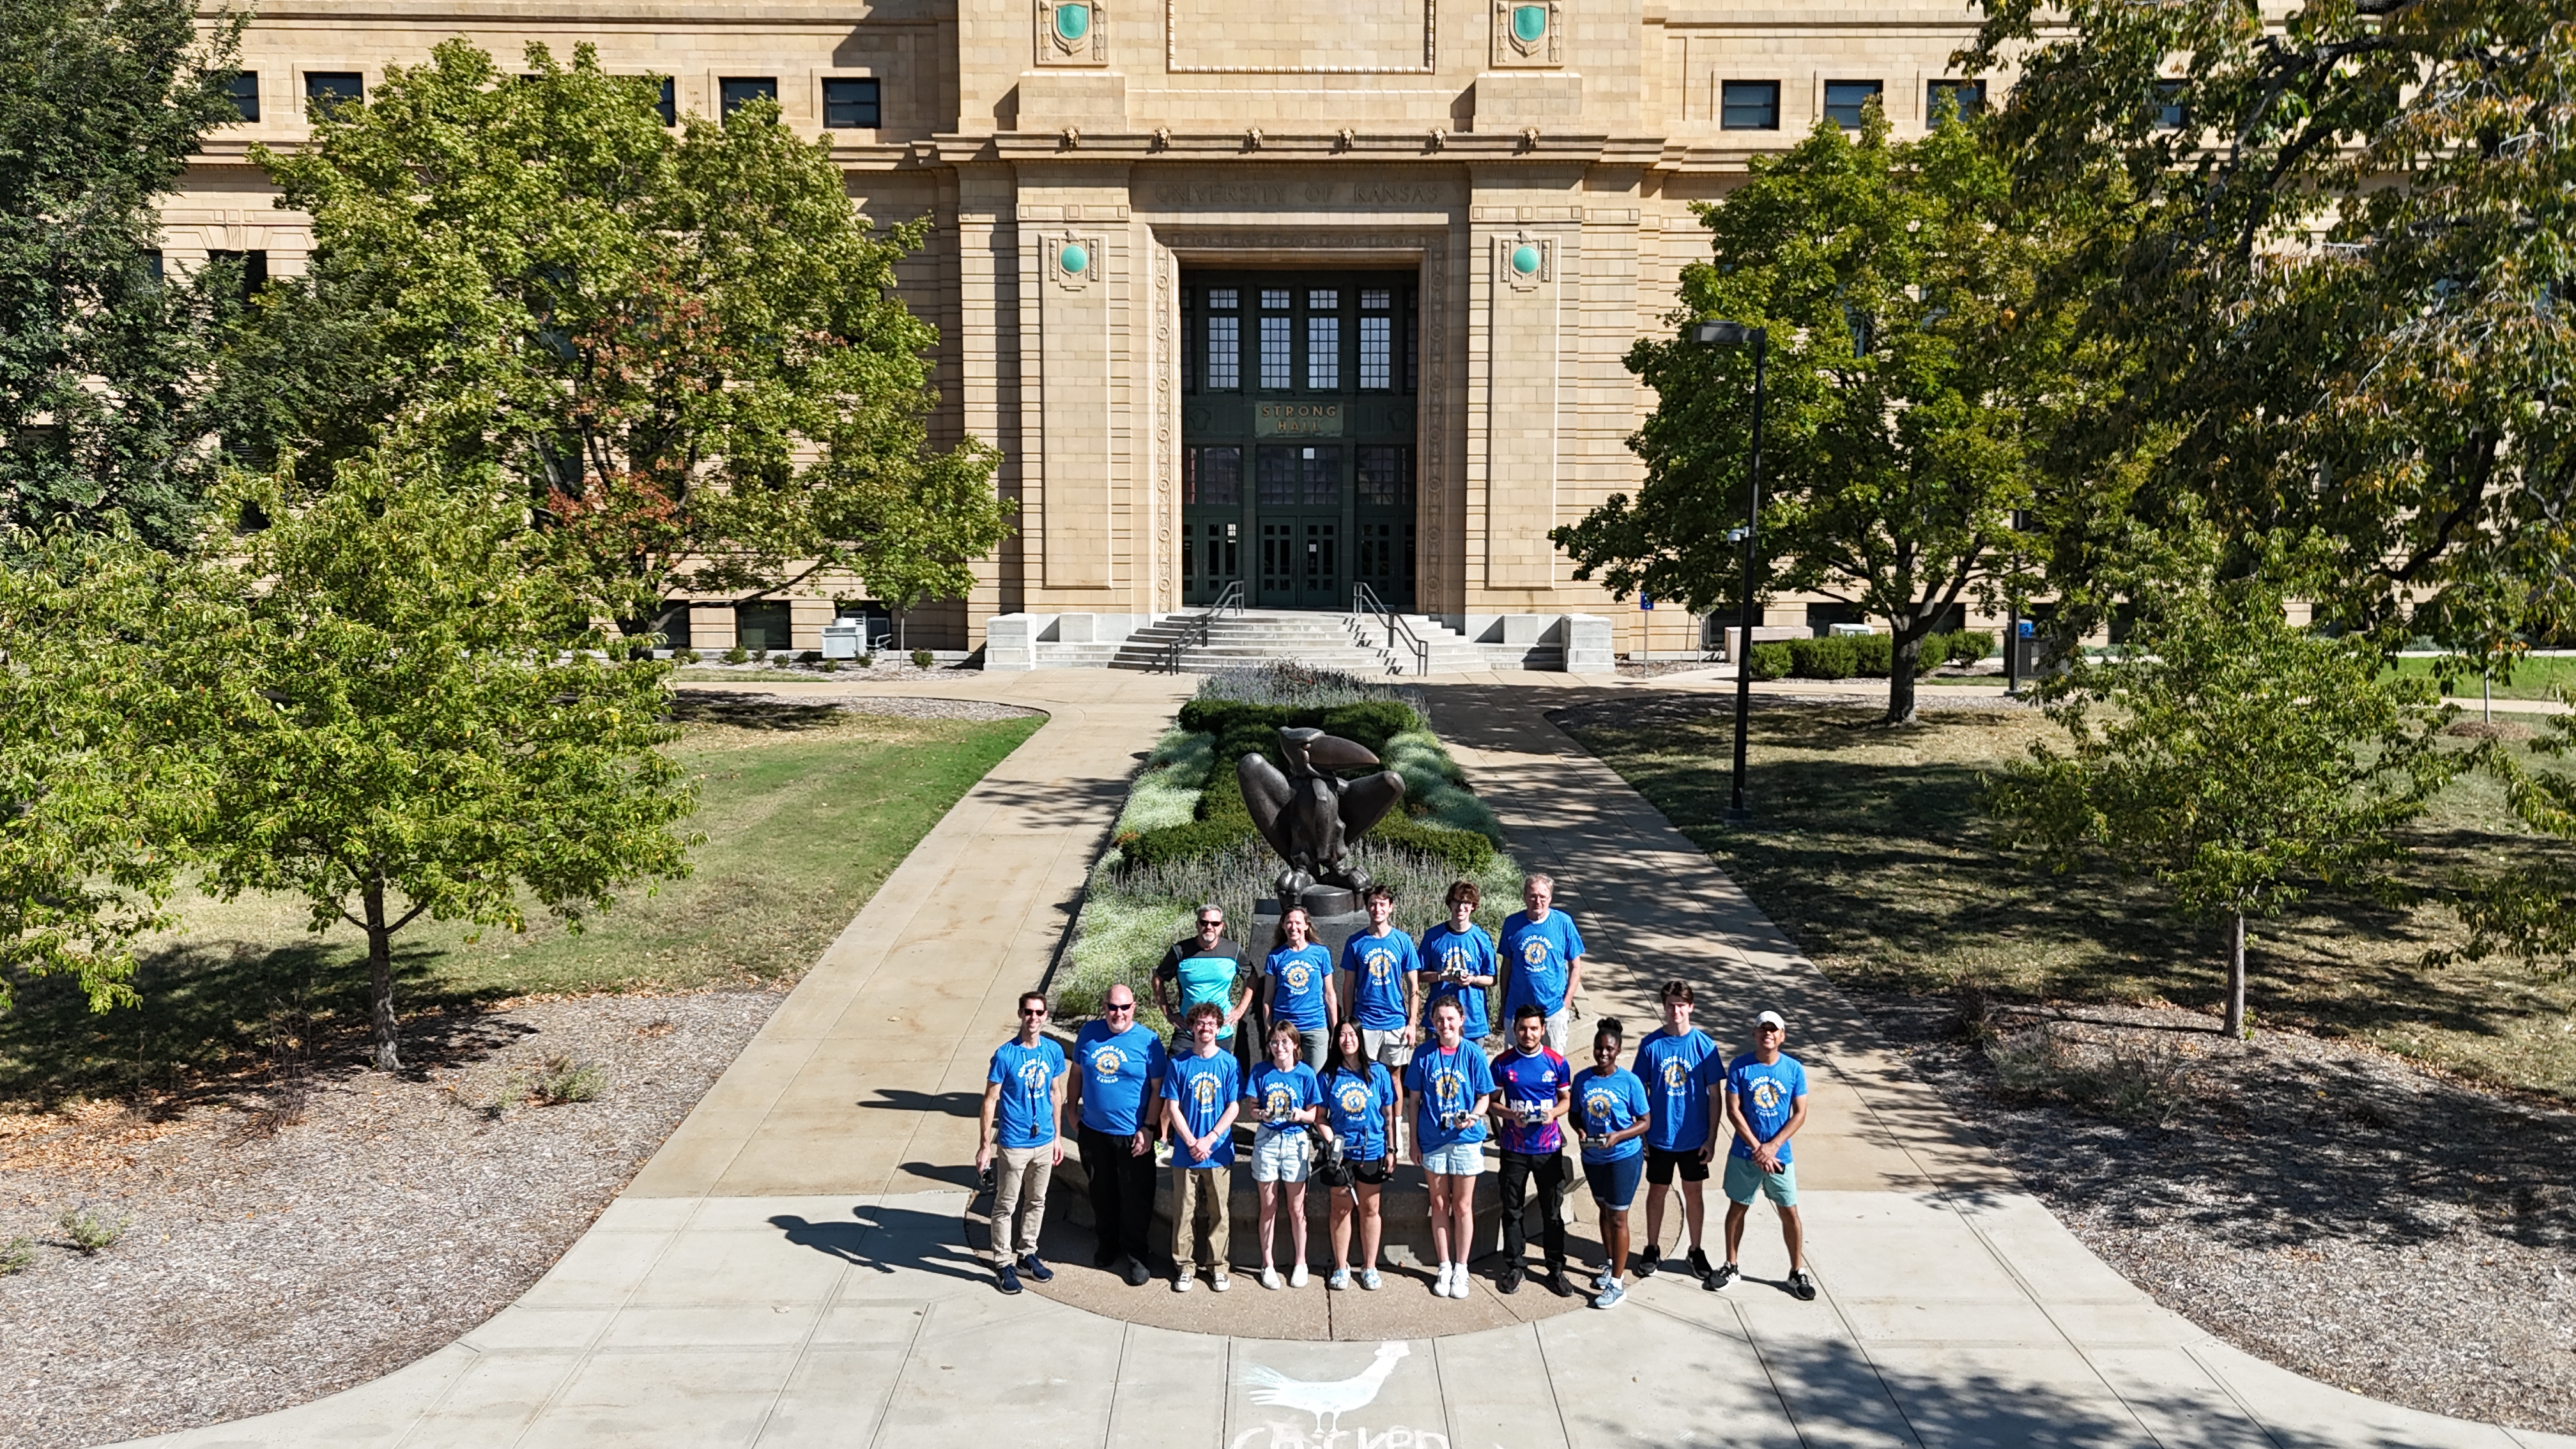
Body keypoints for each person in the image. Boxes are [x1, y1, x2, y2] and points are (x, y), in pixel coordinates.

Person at [1710, 1009, 1815, 1300]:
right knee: (1737, 1208)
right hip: (1746, 1154)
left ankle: (1796, 1271)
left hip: (1781, 1157)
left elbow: (1800, 1113)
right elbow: (1733, 1110)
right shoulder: (1740, 1067)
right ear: (1754, 1034)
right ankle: (1731, 1265)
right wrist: (1758, 1148)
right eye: (1763, 1029)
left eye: (1774, 1030)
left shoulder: (1794, 1069)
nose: (1768, 1034)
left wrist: (1772, 1147)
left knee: (1789, 1211)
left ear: (1782, 1036)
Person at [1068, 983, 1167, 1287]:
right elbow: (1077, 1074)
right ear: (1104, 1007)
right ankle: (1108, 1245)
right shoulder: (1089, 1034)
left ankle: (1137, 1256)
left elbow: (1158, 1089)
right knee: (1102, 1193)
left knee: (1136, 1198)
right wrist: (1072, 1110)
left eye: (1124, 1007)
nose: (1118, 1013)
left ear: (1133, 1007)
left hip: (1133, 1136)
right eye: (1113, 1007)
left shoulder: (1148, 1041)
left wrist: (1150, 1129)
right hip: (1095, 1132)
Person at [976, 990, 1069, 1296]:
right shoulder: (1005, 1055)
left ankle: (1027, 1253)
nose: (1033, 1018)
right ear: (1020, 1014)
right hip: (1014, 1142)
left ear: (1046, 1017)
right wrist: (985, 1146)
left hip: (1043, 1141)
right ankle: (1003, 1262)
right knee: (1006, 1204)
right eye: (1028, 1012)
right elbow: (990, 1100)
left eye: (1039, 1013)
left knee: (1037, 1201)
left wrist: (1057, 1137)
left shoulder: (1053, 1051)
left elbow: (1056, 1094)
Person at [1403, 995, 1494, 1299]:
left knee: (1463, 1205)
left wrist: (1475, 1117)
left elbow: (1485, 1096)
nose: (1445, 1025)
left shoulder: (1473, 1054)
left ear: (1461, 1020)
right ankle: (1444, 1264)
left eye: (1450, 1019)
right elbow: (1414, 1101)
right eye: (1439, 1019)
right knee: (1439, 1203)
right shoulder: (1423, 1055)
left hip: (1465, 1139)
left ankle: (1462, 1267)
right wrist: (1413, 1141)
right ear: (1432, 1021)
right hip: (1433, 1140)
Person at [1631, 980, 1721, 1282]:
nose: (1676, 1011)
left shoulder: (1705, 1047)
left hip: (1694, 1138)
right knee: (1657, 1192)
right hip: (1660, 1136)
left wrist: (1711, 1138)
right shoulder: (1651, 1046)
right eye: (1670, 1005)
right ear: (1664, 1007)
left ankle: (1695, 1250)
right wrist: (1641, 1132)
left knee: (1693, 1194)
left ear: (1691, 1007)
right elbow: (1638, 1092)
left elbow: (1715, 1095)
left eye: (1681, 1005)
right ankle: (1652, 1247)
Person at [1489, 1001, 1572, 1295]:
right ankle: (1514, 1266)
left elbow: (1566, 1100)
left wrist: (1553, 1114)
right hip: (1514, 1148)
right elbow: (1492, 1102)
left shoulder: (1556, 1062)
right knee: (1512, 1211)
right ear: (1515, 1029)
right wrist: (1511, 1115)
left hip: (1548, 1149)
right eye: (1523, 1028)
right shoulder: (1502, 1063)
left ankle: (1555, 1269)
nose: (1528, 1034)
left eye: (1534, 1028)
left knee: (1552, 1212)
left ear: (1543, 1029)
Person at [1161, 1000, 1244, 1292]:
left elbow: (1234, 1106)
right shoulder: (1179, 1064)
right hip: (1186, 1152)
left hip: (1218, 1151)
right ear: (1192, 1027)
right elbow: (1172, 1106)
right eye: (1200, 1023)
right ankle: (1184, 1266)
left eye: (1211, 1024)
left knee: (1219, 1211)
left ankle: (1218, 1266)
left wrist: (1209, 1139)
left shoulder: (1229, 1063)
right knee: (1184, 1211)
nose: (1205, 1028)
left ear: (1219, 1028)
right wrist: (1191, 1141)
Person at [1570, 1016, 1651, 1310]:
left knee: (1618, 1217)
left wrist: (1619, 1136)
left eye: (1609, 1049)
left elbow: (1645, 1121)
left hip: (1622, 1157)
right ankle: (1609, 1264)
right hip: (1594, 1157)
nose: (1603, 1053)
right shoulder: (1583, 1079)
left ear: (1618, 1050)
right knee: (1604, 1211)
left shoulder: (1629, 1082)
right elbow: (1575, 1113)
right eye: (1599, 1048)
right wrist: (1580, 1129)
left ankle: (1618, 1284)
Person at [1319, 1018, 1400, 1291]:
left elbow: (1389, 1115)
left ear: (1361, 1038)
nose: (1347, 1040)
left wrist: (1392, 1149)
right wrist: (1333, 1144)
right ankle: (1341, 1268)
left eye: (1352, 1034)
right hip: (1341, 1155)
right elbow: (1320, 1118)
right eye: (1342, 1035)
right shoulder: (1328, 1075)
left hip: (1372, 1149)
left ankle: (1369, 1266)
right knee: (1340, 1210)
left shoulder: (1378, 1073)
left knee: (1370, 1209)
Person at [1245, 1019, 1324, 1289]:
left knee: (1296, 1207)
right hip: (1268, 1140)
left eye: (1285, 1042)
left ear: (1295, 1045)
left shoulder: (1305, 1074)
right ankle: (1268, 1263)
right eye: (1275, 1042)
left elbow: (1315, 1113)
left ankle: (1300, 1262)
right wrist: (1262, 1114)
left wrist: (1300, 1115)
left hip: (1295, 1141)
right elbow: (1252, 1108)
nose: (1280, 1047)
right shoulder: (1260, 1072)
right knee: (1268, 1206)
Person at [1156, 903, 1255, 1078]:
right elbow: (1158, 979)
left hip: (1220, 1032)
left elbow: (1252, 978)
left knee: (1217, 1080)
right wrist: (1169, 1014)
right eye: (1204, 922)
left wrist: (1239, 1011)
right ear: (1197, 925)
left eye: (1215, 924)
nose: (1209, 927)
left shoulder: (1234, 951)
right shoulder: (1180, 951)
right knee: (1174, 1079)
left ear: (1222, 926)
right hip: (1187, 1031)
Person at [1500, 874, 1587, 1054]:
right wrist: (1504, 1004)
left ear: (1550, 899)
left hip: (1552, 1010)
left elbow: (1576, 966)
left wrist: (1567, 1001)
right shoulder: (1512, 924)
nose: (1537, 901)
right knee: (1515, 1068)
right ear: (1524, 897)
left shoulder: (1563, 923)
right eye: (1532, 896)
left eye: (1542, 897)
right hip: (1518, 1009)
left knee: (1552, 1065)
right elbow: (1506, 966)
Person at [1340, 885, 1422, 1070]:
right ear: (1367, 907)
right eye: (1373, 904)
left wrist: (1412, 1024)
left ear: (1390, 907)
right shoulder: (1355, 942)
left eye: (1382, 904)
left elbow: (1413, 985)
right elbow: (1349, 985)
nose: (1378, 909)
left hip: (1395, 1020)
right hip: (1365, 1021)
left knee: (1394, 1078)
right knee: (1365, 1073)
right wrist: (1349, 1021)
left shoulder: (1403, 941)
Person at [1417, 880, 1497, 1048]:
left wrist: (1472, 979)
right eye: (1457, 902)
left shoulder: (1482, 939)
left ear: (1473, 906)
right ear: (1450, 903)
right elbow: (1418, 975)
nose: (1461, 907)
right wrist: (1442, 976)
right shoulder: (1433, 936)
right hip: (1439, 1021)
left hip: (1472, 1020)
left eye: (1467, 902)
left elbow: (1491, 979)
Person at [1264, 907, 1338, 1070]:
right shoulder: (1275, 956)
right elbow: (1268, 999)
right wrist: (1270, 1032)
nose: (1293, 927)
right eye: (1289, 923)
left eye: (1298, 922)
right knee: (1287, 1077)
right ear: (1283, 926)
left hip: (1315, 1026)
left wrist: (1336, 1029)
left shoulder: (1321, 953)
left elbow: (1329, 994)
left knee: (1317, 1080)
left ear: (1306, 926)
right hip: (1285, 1029)